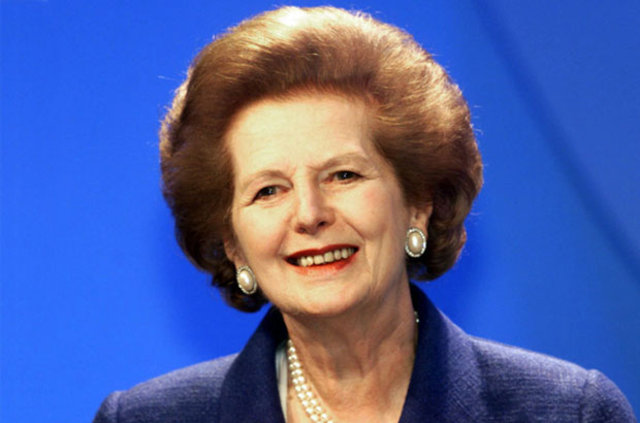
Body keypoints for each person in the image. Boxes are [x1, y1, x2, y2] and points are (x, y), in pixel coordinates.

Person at [93, 6, 636, 423]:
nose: (309, 214)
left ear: (418, 203)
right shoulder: (143, 419)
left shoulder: (569, 412)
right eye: (268, 190)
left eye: (343, 175)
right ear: (233, 245)